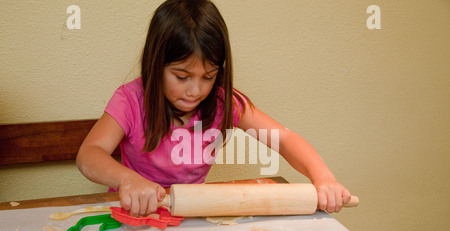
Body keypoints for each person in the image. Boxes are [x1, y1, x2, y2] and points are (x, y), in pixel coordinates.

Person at [76, 0, 352, 217]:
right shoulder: (130, 100)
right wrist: (128, 180)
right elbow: (89, 154)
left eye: (208, 76)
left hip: (190, 214)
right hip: (134, 214)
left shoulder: (222, 102)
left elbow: (285, 138)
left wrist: (324, 178)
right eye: (182, 77)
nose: (195, 90)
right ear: (155, 64)